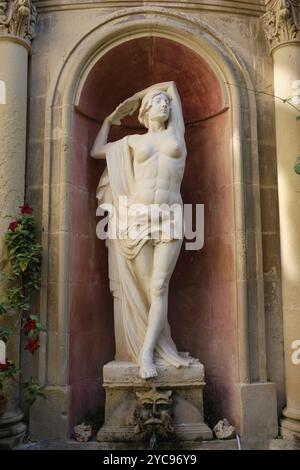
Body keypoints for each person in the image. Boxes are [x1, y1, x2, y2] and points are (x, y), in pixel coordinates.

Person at [91, 82, 196, 379]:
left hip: (169, 215)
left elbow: (173, 86)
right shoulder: (133, 142)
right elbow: (97, 150)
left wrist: (137, 95)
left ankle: (147, 353)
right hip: (137, 217)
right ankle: (160, 344)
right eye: (157, 102)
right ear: (147, 111)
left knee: (159, 286)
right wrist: (110, 120)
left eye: (166, 103)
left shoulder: (177, 135)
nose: (165, 104)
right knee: (146, 289)